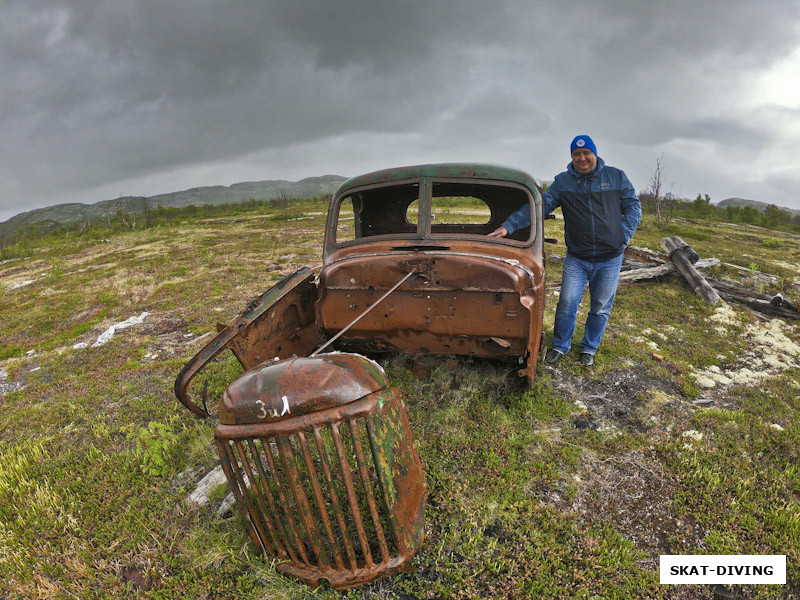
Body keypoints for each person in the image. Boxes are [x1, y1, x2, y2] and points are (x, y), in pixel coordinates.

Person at [489, 135, 641, 366]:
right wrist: (508, 226)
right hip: (577, 258)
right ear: (572, 157)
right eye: (576, 154)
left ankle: (589, 347)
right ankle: (560, 345)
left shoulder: (616, 177)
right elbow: (539, 206)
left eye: (586, 153)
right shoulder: (563, 182)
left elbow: (633, 206)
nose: (582, 158)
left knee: (600, 307)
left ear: (594, 154)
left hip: (610, 258)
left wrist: (625, 235)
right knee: (567, 304)